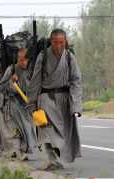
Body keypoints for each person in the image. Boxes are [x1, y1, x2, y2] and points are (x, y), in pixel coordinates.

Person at [27, 29, 83, 170]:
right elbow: (36, 80)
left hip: (64, 99)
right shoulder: (43, 56)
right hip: (46, 98)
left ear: (65, 42)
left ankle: (57, 156)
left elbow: (76, 81)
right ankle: (51, 159)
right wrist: (32, 102)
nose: (58, 46)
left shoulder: (69, 57)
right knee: (46, 129)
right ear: (51, 42)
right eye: (56, 42)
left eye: (61, 42)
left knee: (64, 132)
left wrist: (76, 105)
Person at [0, 47, 37, 160]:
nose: (24, 62)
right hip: (14, 103)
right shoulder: (11, 69)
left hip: (27, 104)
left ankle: (24, 150)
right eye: (21, 60)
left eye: (25, 60)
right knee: (17, 129)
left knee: (27, 129)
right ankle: (19, 152)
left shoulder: (31, 69)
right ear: (18, 59)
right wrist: (11, 82)